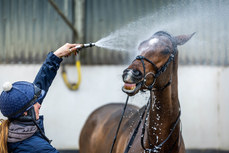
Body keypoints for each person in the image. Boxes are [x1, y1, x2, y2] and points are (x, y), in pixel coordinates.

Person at [0, 43, 81, 153]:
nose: (39, 104)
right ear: (25, 113)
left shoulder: (11, 130)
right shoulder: (39, 149)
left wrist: (57, 55)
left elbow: (40, 86)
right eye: (35, 103)